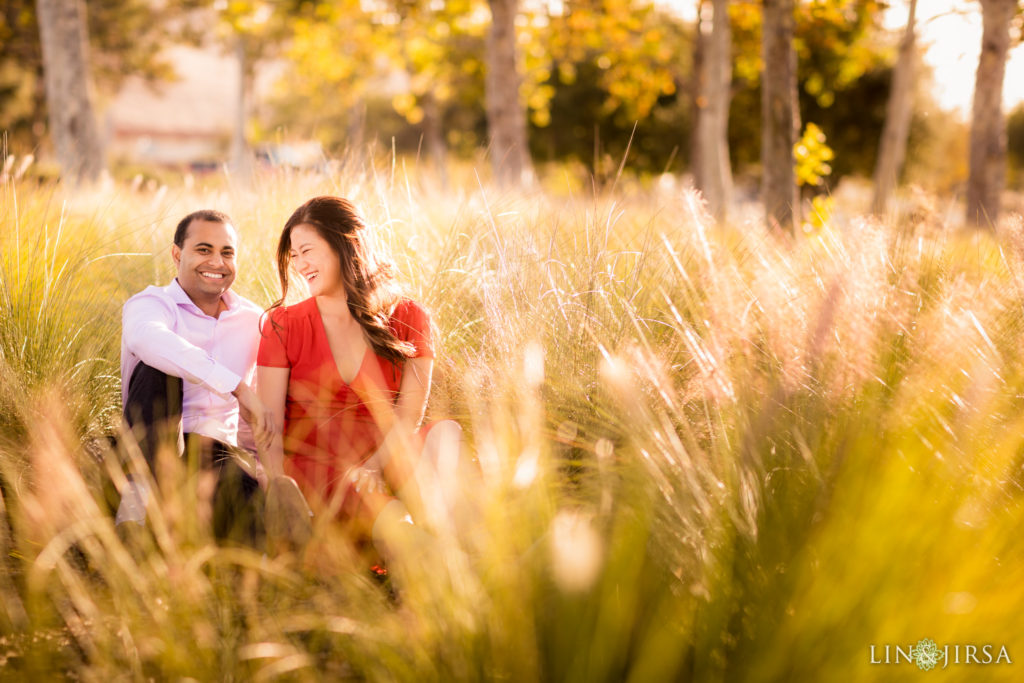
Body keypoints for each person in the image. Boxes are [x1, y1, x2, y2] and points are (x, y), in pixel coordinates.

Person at [256, 196, 461, 556]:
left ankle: (464, 550)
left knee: (446, 434)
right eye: (294, 255)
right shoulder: (283, 325)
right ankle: (427, 557)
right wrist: (279, 484)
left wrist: (375, 465)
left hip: (386, 456)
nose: (300, 265)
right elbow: (268, 424)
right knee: (389, 515)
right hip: (319, 469)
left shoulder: (410, 317)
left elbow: (408, 415)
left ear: (344, 244)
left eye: (307, 250)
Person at [116, 209, 274, 545]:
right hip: (153, 443)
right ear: (177, 254)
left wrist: (261, 467)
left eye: (227, 252)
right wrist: (234, 386)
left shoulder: (253, 320)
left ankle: (183, 532)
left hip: (214, 453)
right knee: (160, 365)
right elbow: (146, 338)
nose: (217, 262)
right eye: (204, 250)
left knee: (254, 517)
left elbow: (253, 415)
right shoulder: (150, 304)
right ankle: (136, 509)